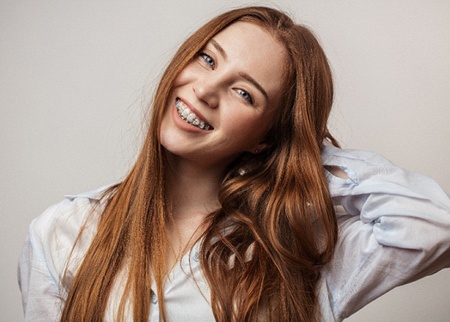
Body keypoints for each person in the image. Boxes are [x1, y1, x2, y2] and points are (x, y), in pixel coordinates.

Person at [18, 6, 450, 322]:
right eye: (207, 59)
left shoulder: (298, 250)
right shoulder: (63, 233)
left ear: (266, 136)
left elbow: (435, 225)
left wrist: (298, 153)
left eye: (244, 93)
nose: (205, 90)